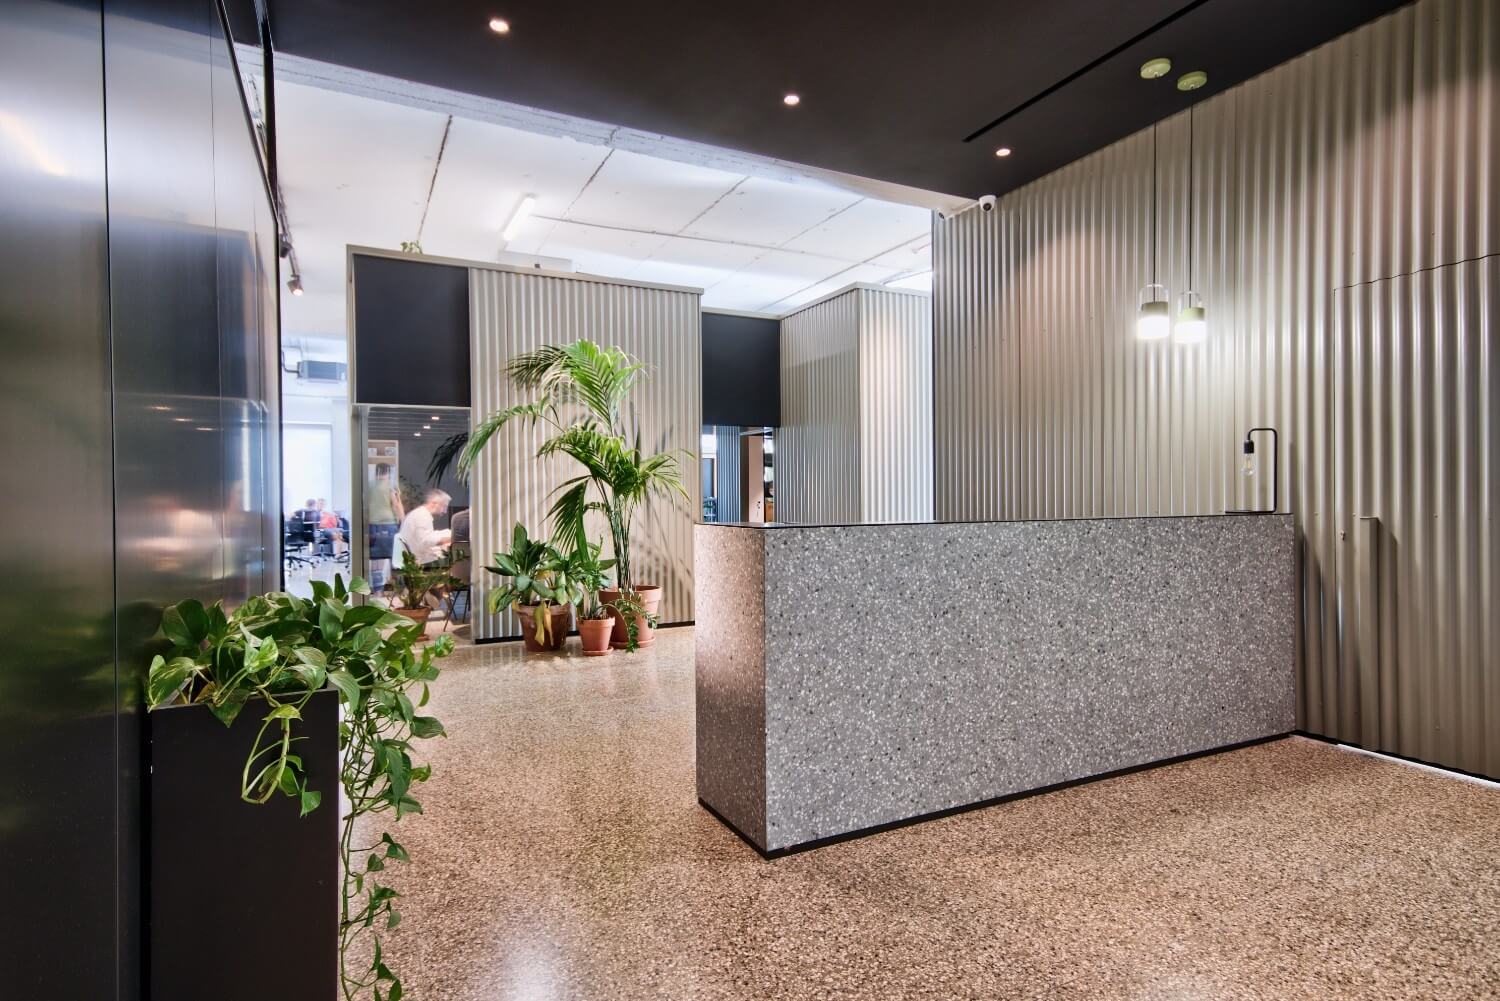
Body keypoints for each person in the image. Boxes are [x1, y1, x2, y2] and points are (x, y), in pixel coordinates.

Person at [366, 466, 404, 590]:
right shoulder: (390, 487)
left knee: (375, 559)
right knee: (393, 556)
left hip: (371, 525)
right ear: (388, 473)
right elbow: (396, 505)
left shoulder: (369, 486)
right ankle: (397, 588)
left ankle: (377, 589)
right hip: (388, 524)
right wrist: (403, 520)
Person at [398, 489, 452, 567]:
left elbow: (426, 536)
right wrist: (450, 538)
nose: (445, 511)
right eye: (444, 506)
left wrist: (447, 534)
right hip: (419, 560)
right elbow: (425, 542)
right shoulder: (422, 516)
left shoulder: (421, 513)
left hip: (415, 555)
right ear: (434, 504)